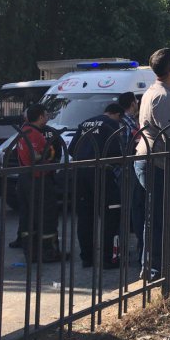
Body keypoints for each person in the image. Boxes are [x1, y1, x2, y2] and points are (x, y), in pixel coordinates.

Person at [136, 48, 170, 279]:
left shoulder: (167, 92)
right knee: (157, 217)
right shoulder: (163, 96)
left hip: (163, 162)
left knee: (165, 215)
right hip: (157, 163)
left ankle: (164, 264)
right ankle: (153, 267)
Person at [69, 103, 124, 269]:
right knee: (112, 215)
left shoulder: (85, 123)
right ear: (117, 115)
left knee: (85, 217)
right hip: (102, 173)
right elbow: (116, 151)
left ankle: (87, 258)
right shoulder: (112, 124)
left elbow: (72, 149)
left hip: (80, 173)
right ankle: (110, 258)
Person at [16, 104, 65, 263]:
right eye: (45, 115)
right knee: (47, 215)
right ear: (40, 117)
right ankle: (48, 252)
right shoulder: (35, 134)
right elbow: (39, 156)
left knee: (28, 216)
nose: (47, 118)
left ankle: (32, 252)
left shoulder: (24, 130)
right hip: (38, 178)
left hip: (25, 178)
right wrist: (51, 155)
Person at [119, 91, 144, 265]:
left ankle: (126, 248)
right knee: (136, 208)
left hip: (126, 171)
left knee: (129, 209)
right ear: (132, 104)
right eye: (136, 101)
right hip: (131, 170)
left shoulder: (124, 121)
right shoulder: (128, 124)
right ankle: (139, 248)